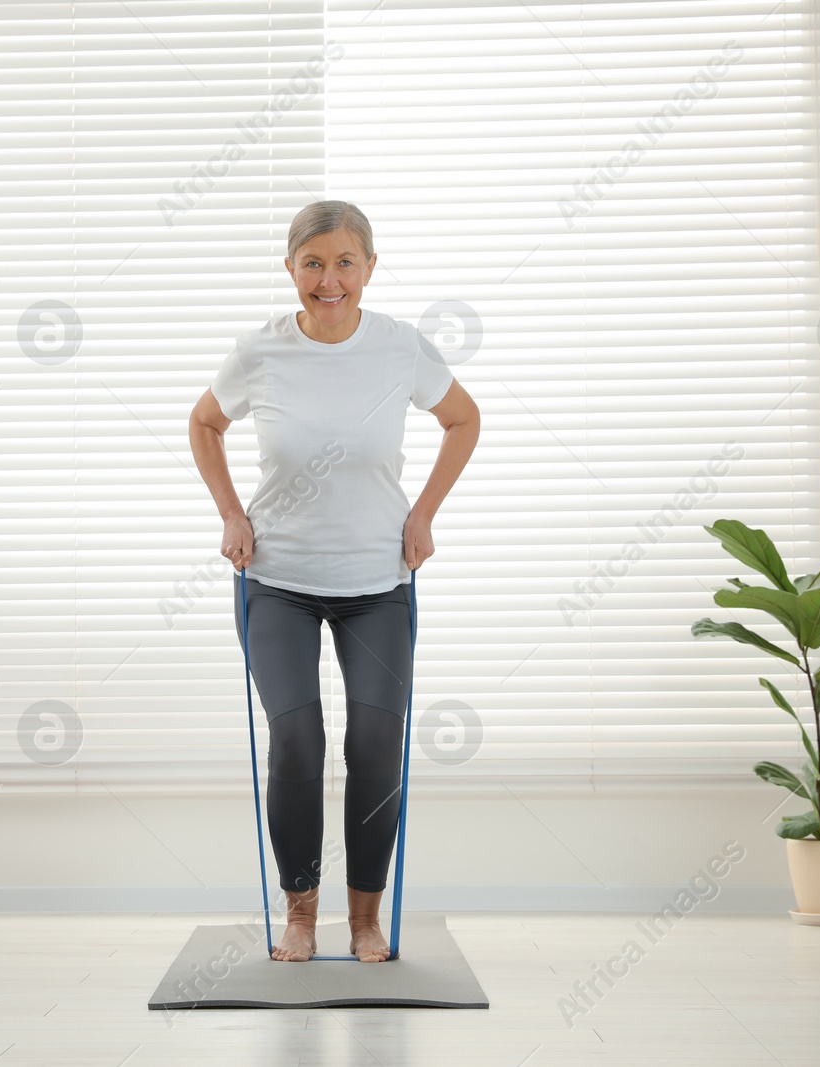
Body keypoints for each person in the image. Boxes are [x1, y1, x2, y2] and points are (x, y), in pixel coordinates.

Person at [186, 201, 480, 962]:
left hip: (377, 580)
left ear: (370, 268)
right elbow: (204, 423)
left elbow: (464, 419)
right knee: (297, 737)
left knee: (377, 741)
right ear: (290, 269)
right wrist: (229, 513)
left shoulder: (400, 348)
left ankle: (364, 919)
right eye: (312, 262)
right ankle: (300, 912)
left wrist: (424, 514)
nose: (329, 278)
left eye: (345, 261)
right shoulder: (259, 351)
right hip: (277, 578)